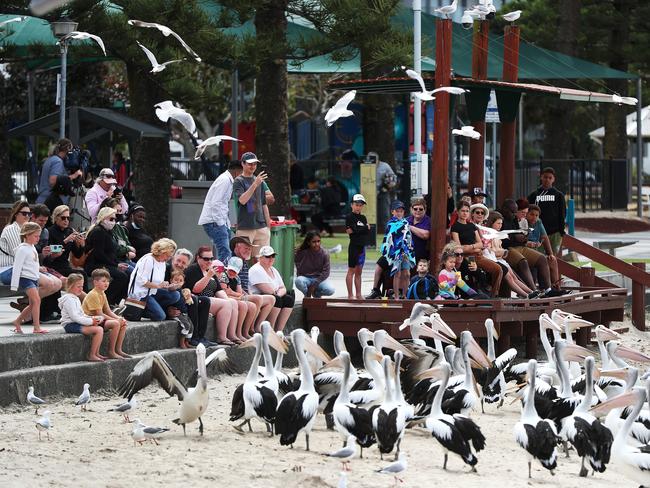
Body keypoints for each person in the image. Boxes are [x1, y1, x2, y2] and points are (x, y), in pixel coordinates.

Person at [0, 201, 62, 314]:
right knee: (48, 283)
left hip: (23, 269)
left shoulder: (26, 229)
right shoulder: (11, 229)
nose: (27, 216)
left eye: (29, 214)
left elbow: (31, 253)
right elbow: (20, 255)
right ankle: (28, 314)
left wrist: (40, 263)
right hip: (9, 269)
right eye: (24, 214)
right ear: (15, 214)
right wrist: (37, 267)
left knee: (57, 283)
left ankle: (26, 304)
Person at [184, 245, 238, 345]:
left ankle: (232, 335)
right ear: (198, 258)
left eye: (211, 259)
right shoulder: (193, 269)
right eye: (206, 259)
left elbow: (219, 290)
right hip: (198, 299)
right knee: (225, 304)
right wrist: (208, 276)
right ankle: (221, 337)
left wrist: (228, 300)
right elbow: (196, 290)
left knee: (232, 302)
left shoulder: (209, 271)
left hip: (209, 300)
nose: (209, 261)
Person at [500, 199, 554, 294]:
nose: (514, 214)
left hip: (519, 246)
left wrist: (524, 238)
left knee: (542, 258)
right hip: (507, 248)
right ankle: (534, 291)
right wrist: (515, 238)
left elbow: (518, 232)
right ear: (504, 209)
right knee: (522, 261)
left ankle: (548, 290)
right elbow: (499, 237)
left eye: (515, 212)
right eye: (512, 212)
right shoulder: (500, 218)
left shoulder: (514, 218)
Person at [450, 201, 502, 297]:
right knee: (477, 272)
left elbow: (481, 244)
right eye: (462, 211)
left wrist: (470, 247)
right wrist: (475, 248)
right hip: (466, 257)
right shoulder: (455, 227)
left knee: (498, 269)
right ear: (457, 212)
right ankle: (479, 292)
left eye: (467, 211)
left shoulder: (472, 226)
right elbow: (459, 248)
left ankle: (494, 295)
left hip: (478, 255)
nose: (465, 213)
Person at [164, 248, 215, 347]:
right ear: (173, 258)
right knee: (194, 300)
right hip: (170, 303)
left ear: (187, 265)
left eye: (183, 263)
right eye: (178, 260)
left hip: (179, 301)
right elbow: (160, 293)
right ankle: (193, 337)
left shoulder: (183, 273)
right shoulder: (166, 269)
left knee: (204, 300)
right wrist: (167, 310)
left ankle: (200, 337)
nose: (180, 264)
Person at [128, 238, 186, 322]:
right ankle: (145, 311)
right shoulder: (148, 259)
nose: (169, 258)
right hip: (142, 294)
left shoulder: (162, 263)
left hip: (152, 292)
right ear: (162, 251)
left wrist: (168, 286)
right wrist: (159, 286)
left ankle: (157, 310)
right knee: (160, 316)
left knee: (175, 295)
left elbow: (158, 283)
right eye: (168, 255)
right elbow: (141, 281)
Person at [484, 211, 538, 299]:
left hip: (500, 259)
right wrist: (502, 252)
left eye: (501, 223)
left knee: (514, 277)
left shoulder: (498, 234)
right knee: (509, 277)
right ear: (491, 223)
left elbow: (501, 251)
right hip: (493, 260)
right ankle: (526, 295)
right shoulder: (488, 235)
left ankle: (532, 292)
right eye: (498, 223)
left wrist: (502, 252)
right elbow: (490, 251)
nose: (500, 226)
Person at [198, 160, 243, 262]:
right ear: (237, 171)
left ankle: (224, 275)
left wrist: (225, 223)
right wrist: (220, 223)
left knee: (227, 251)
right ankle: (222, 277)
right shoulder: (225, 180)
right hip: (215, 222)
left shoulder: (226, 179)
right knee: (225, 252)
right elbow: (216, 203)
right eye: (242, 173)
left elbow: (221, 204)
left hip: (218, 222)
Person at [84, 207, 129, 306]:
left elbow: (111, 253)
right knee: (121, 277)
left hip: (105, 263)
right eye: (111, 219)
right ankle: (105, 302)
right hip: (95, 264)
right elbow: (99, 254)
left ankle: (114, 302)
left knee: (128, 274)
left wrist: (117, 263)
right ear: (103, 218)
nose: (113, 222)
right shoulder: (98, 231)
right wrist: (116, 265)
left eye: (114, 219)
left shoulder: (107, 232)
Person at [82, 268, 130, 359]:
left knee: (122, 323)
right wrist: (116, 320)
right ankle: (111, 351)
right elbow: (100, 314)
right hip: (91, 320)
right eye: (103, 281)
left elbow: (108, 311)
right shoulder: (94, 294)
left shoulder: (102, 293)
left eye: (108, 281)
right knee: (116, 323)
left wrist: (119, 318)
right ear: (95, 282)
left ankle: (118, 349)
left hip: (99, 319)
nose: (106, 283)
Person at [228, 236, 274, 329]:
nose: (248, 251)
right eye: (246, 248)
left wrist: (249, 293)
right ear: (237, 247)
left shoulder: (243, 261)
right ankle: (251, 329)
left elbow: (244, 283)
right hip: (235, 295)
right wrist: (246, 294)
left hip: (242, 293)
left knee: (271, 299)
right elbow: (232, 284)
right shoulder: (233, 261)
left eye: (250, 249)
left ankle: (258, 327)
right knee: (257, 299)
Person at [8, 223, 46, 334]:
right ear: (27, 235)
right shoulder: (22, 249)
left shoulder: (32, 247)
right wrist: (14, 285)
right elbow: (17, 267)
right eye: (36, 236)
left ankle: (18, 321)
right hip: (26, 279)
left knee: (33, 304)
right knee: (37, 300)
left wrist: (39, 269)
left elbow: (31, 263)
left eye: (39, 236)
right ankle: (36, 327)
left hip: (34, 278)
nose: (38, 239)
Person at [59, 273, 105, 362]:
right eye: (78, 286)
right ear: (70, 286)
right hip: (70, 325)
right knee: (98, 330)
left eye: (82, 286)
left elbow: (81, 314)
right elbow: (75, 317)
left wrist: (94, 318)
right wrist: (91, 321)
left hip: (76, 322)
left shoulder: (75, 298)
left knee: (98, 327)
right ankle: (92, 355)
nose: (81, 289)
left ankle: (96, 353)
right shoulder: (69, 300)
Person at [248, 245, 294, 332]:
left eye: (273, 256)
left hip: (273, 295)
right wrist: (278, 293)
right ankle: (270, 329)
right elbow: (268, 290)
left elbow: (283, 288)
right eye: (268, 256)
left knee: (289, 299)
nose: (271, 258)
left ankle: (279, 331)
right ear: (260, 258)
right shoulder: (256, 269)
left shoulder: (273, 269)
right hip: (257, 296)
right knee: (276, 299)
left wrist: (278, 294)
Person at [233, 152, 270, 258]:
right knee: (242, 259)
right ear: (243, 164)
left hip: (261, 226)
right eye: (250, 164)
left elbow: (264, 204)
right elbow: (242, 200)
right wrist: (255, 184)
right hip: (245, 226)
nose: (253, 166)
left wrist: (268, 227)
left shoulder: (260, 181)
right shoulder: (238, 181)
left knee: (262, 259)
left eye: (255, 164)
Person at [380, 200, 415, 300]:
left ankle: (405, 295)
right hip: (395, 252)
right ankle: (396, 296)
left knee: (407, 273)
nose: (399, 213)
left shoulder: (406, 223)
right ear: (393, 212)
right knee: (397, 273)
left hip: (406, 251)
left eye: (401, 211)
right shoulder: (391, 224)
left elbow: (409, 237)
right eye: (397, 211)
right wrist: (388, 251)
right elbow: (387, 239)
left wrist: (410, 249)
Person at [527, 167, 566, 255]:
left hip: (555, 232)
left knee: (552, 257)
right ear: (541, 177)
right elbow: (527, 212)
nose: (547, 179)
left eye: (550, 178)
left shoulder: (559, 195)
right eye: (545, 177)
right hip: (538, 231)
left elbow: (562, 213)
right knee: (538, 257)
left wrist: (561, 231)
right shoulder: (534, 195)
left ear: (553, 179)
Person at [218, 256, 257, 342]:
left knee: (253, 306)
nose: (232, 273)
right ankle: (236, 333)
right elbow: (224, 292)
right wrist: (234, 295)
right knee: (243, 305)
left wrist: (232, 292)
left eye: (234, 271)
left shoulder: (237, 278)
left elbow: (239, 293)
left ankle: (244, 332)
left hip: (234, 297)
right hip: (224, 298)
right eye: (230, 270)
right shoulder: (223, 276)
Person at [526, 204, 561, 289]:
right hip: (526, 252)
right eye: (531, 214)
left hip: (536, 252)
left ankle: (556, 287)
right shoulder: (523, 222)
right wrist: (528, 243)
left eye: (536, 215)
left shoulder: (538, 222)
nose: (534, 217)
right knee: (540, 261)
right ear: (526, 214)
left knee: (552, 260)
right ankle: (546, 289)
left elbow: (544, 237)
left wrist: (550, 254)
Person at [36, 138, 81, 204]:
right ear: (68, 149)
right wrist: (74, 176)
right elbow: (53, 181)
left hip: (44, 200)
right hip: (50, 203)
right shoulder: (58, 161)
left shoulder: (50, 159)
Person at [45, 205, 86, 277]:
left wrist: (82, 245)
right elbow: (51, 250)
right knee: (81, 275)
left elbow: (77, 255)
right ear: (56, 218)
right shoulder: (49, 231)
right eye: (63, 218)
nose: (66, 220)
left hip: (65, 266)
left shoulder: (69, 231)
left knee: (82, 274)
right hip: (53, 266)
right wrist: (66, 240)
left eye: (68, 218)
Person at [294, 231, 335, 298]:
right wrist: (300, 273)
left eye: (318, 241)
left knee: (330, 290)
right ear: (308, 242)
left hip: (319, 279)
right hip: (306, 278)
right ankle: (307, 295)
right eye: (314, 242)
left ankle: (316, 294)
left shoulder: (325, 253)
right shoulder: (302, 252)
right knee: (298, 281)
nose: (317, 244)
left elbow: (326, 272)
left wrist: (314, 285)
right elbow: (297, 262)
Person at [345, 194, 370, 300]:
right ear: (352, 205)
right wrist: (365, 228)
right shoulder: (349, 217)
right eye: (356, 205)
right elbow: (353, 231)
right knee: (351, 270)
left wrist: (359, 230)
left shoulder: (363, 218)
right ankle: (350, 295)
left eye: (360, 205)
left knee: (359, 272)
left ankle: (358, 294)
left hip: (362, 247)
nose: (358, 207)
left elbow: (362, 232)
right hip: (354, 246)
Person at [373, 152, 397, 232]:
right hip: (371, 192)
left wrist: (389, 185)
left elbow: (393, 178)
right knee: (371, 214)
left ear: (378, 160)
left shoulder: (385, 166)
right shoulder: (367, 166)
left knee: (385, 213)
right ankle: (370, 233)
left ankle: (388, 233)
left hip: (383, 192)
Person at [407, 197, 431, 267]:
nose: (418, 211)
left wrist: (409, 227)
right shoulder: (407, 220)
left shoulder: (428, 220)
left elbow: (425, 235)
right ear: (411, 209)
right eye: (415, 209)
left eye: (420, 209)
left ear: (425, 210)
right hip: (407, 253)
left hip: (421, 254)